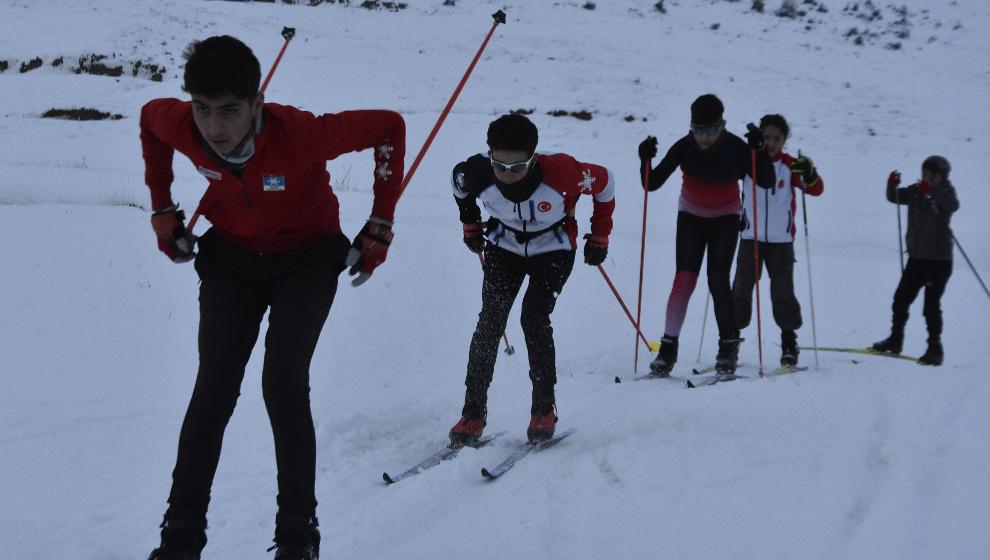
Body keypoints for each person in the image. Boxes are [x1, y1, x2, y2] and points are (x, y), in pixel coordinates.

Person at [140, 36, 405, 560]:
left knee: (282, 383)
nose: (214, 128)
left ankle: (297, 536)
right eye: (203, 110)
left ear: (257, 105)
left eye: (231, 111)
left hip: (307, 259)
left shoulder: (302, 134)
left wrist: (380, 222)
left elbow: (388, 126)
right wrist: (162, 208)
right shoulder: (181, 123)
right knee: (213, 386)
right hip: (231, 259)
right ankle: (180, 537)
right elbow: (150, 121)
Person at [448, 114, 615, 444]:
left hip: (552, 250)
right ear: (489, 154)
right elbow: (458, 183)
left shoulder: (564, 173)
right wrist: (470, 223)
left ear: (533, 158)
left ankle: (543, 410)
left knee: (533, 317)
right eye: (500, 166)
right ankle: (472, 415)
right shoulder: (477, 172)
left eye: (518, 167)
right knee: (490, 323)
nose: (508, 176)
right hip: (504, 248)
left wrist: (600, 237)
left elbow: (606, 184)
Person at [638, 94, 775, 376]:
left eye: (709, 131)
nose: (703, 137)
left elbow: (767, 181)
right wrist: (645, 159)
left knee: (717, 280)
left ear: (721, 125)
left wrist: (760, 151)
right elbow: (651, 183)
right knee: (684, 280)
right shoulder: (685, 147)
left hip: (726, 218)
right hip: (690, 217)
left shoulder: (736, 147)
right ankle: (668, 348)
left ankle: (728, 347)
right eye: (698, 130)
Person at [731, 114, 824, 367]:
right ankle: (731, 342)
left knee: (782, 291)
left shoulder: (789, 164)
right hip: (750, 237)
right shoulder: (749, 160)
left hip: (781, 241)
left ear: (784, 140)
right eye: (767, 137)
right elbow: (727, 175)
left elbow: (816, 189)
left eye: (777, 138)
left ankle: (788, 342)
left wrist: (810, 172)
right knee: (740, 290)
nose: (771, 143)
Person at [872, 156, 959, 365]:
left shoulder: (945, 193)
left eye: (932, 174)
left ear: (942, 176)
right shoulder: (915, 191)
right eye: (925, 173)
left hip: (939, 261)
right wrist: (892, 184)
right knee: (900, 299)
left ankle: (934, 348)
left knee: (930, 306)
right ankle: (895, 339)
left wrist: (932, 191)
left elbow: (952, 204)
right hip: (917, 258)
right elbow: (894, 197)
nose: (927, 177)